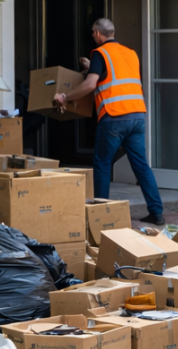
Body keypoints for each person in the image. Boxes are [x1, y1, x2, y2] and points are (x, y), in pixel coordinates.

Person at [53, 17, 165, 224]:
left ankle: (100, 215)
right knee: (141, 165)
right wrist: (90, 68)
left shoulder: (100, 53)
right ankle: (157, 213)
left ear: (97, 33)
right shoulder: (131, 54)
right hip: (137, 115)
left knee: (103, 164)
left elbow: (90, 85)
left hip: (114, 116)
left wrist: (65, 98)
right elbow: (114, 77)